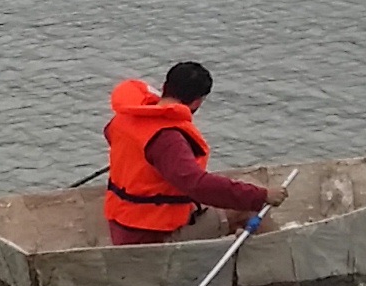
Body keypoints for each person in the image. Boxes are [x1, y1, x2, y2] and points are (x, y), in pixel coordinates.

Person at [102, 61, 287, 244]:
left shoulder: (125, 119)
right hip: (151, 236)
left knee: (242, 189)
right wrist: (261, 196)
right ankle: (275, 256)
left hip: (121, 223)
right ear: (198, 101)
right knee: (249, 209)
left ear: (165, 86)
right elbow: (197, 185)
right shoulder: (167, 138)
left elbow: (126, 148)